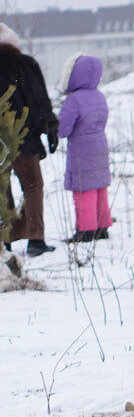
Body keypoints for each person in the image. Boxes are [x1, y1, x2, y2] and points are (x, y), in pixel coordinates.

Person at [0, 23, 58, 256]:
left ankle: (4, 238)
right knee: (33, 186)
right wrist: (49, 126)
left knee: (2, 190)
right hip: (25, 138)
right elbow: (39, 100)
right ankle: (35, 238)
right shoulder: (26, 65)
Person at [58, 54, 112, 243]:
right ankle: (102, 227)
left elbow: (63, 129)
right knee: (99, 189)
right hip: (100, 145)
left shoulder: (74, 100)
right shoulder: (99, 96)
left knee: (83, 191)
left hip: (81, 149)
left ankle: (86, 230)